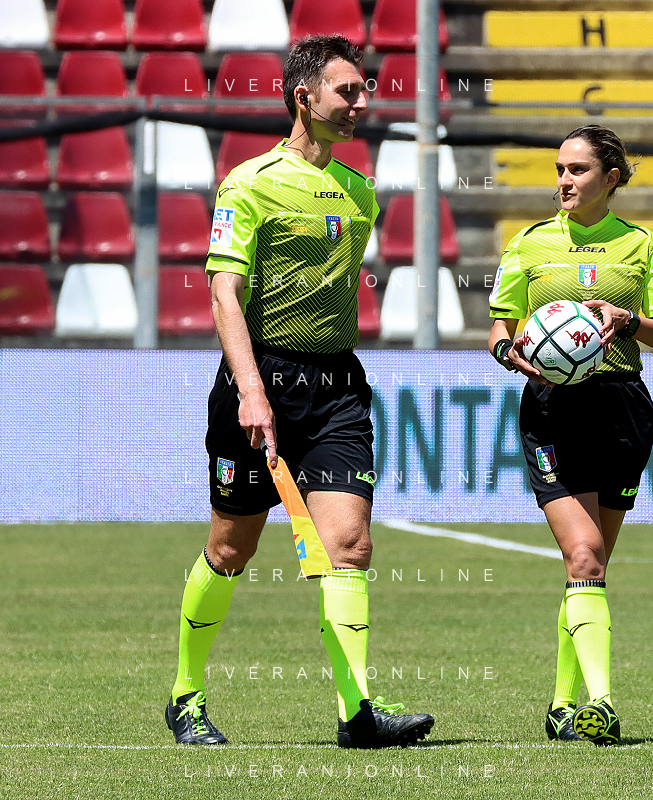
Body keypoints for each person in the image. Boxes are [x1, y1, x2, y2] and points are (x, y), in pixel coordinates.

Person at [166, 35, 434, 749]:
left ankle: (356, 712)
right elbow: (225, 295)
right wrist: (252, 392)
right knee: (231, 549)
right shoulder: (248, 183)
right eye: (348, 91)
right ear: (303, 97)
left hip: (337, 387)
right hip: (260, 384)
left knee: (349, 544)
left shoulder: (361, 192)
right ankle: (185, 695)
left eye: (364, 89)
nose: (362, 103)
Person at [486, 125, 653, 745]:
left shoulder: (642, 245)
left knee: (590, 566)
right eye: (559, 169)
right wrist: (510, 354)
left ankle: (561, 705)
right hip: (552, 408)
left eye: (577, 170)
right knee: (584, 555)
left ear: (611, 178)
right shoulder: (530, 243)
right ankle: (601, 704)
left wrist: (630, 322)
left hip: (621, 407)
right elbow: (498, 331)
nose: (564, 180)